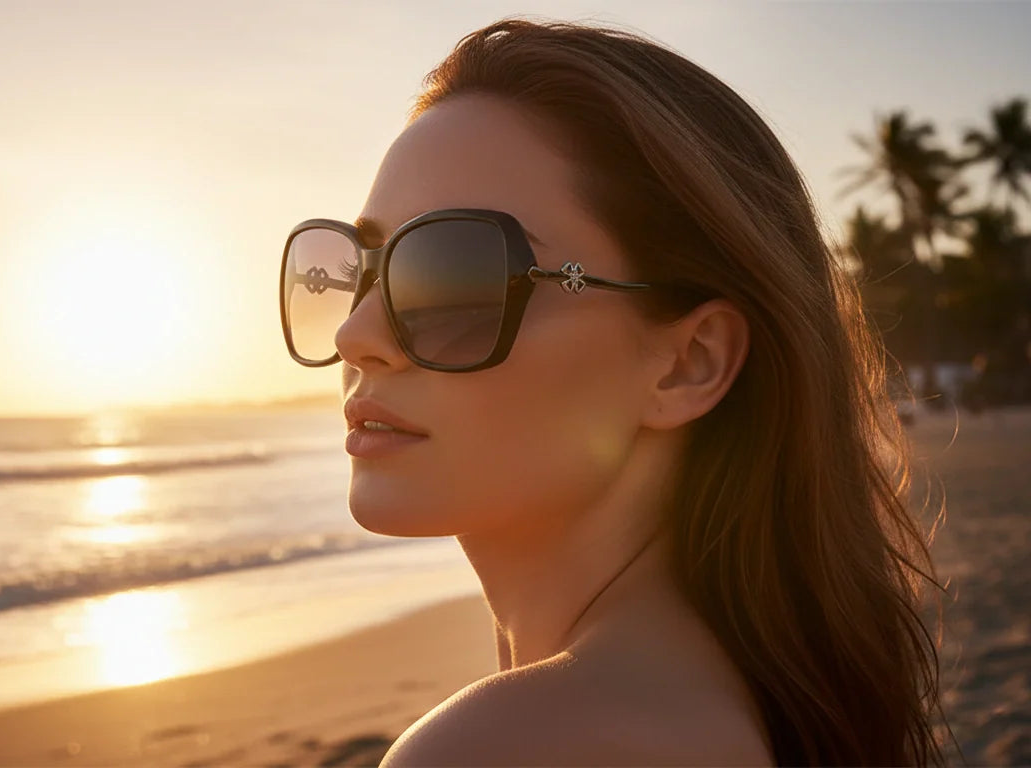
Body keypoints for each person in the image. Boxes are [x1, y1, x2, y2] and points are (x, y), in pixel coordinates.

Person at [278, 19, 947, 766]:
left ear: (687, 363)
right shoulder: (737, 697)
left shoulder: (506, 747)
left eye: (455, 276)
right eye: (364, 268)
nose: (356, 334)